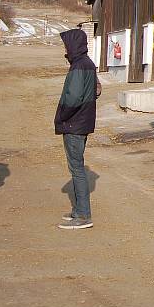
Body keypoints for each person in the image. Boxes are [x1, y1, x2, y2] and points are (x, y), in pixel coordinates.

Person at [55, 29, 97, 230]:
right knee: (77, 167)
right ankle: (79, 210)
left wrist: (61, 115)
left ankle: (83, 215)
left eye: (66, 44)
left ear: (73, 45)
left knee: (77, 168)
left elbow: (73, 98)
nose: (65, 48)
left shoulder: (79, 65)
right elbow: (96, 90)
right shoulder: (87, 63)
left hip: (74, 123)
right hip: (83, 121)